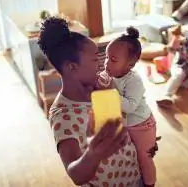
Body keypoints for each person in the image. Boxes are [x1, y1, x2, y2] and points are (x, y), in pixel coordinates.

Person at [38, 17, 141, 187]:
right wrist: (93, 154)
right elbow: (75, 175)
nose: (102, 64)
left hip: (135, 178)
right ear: (72, 68)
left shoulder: (99, 87)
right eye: (95, 59)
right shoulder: (63, 115)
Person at [97, 27, 157, 187]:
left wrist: (110, 90)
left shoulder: (134, 81)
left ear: (129, 65)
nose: (107, 63)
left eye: (113, 60)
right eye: (107, 57)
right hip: (126, 124)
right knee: (130, 156)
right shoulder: (109, 74)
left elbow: (130, 107)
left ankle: (150, 183)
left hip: (142, 125)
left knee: (144, 157)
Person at [156, 27, 188, 108]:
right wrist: (175, 42)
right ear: (187, 36)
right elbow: (170, 49)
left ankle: (178, 84)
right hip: (180, 66)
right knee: (179, 74)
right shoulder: (182, 43)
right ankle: (166, 96)